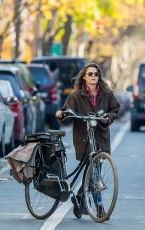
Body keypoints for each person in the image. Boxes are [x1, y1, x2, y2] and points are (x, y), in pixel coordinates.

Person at [56, 62, 120, 219]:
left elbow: (115, 110)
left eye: (96, 74)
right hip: (83, 137)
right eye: (90, 74)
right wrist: (61, 113)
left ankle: (79, 199)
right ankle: (98, 206)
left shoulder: (107, 93)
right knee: (93, 172)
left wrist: (107, 118)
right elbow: (66, 110)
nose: (93, 76)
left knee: (93, 170)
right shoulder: (76, 95)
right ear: (84, 77)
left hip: (100, 136)